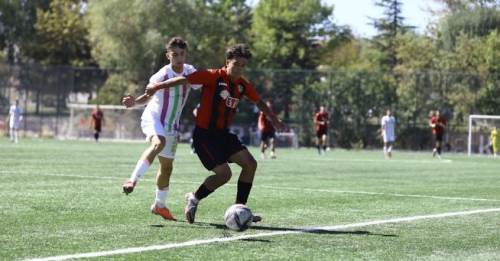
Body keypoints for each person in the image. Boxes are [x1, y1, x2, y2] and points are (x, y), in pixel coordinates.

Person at [145, 43, 284, 224]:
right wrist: (157, 86)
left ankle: (239, 210)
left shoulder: (242, 85)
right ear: (227, 62)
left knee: (250, 164)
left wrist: (274, 119)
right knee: (224, 174)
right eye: (236, 64)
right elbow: (184, 79)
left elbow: (259, 102)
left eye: (243, 65)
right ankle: (194, 198)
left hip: (224, 135)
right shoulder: (212, 76)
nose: (239, 68)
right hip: (204, 136)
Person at [121, 37, 200, 221]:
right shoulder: (162, 75)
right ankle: (132, 179)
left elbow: (202, 83)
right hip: (154, 118)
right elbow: (147, 96)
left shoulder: (190, 71)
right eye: (175, 54)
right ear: (168, 56)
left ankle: (159, 205)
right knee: (159, 142)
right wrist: (134, 103)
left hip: (172, 125)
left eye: (182, 54)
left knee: (166, 168)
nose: (179, 58)